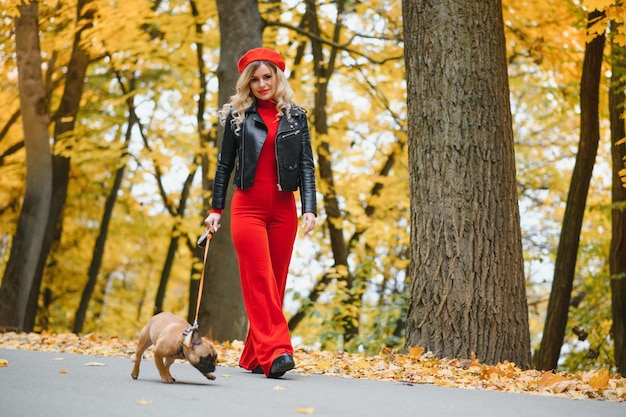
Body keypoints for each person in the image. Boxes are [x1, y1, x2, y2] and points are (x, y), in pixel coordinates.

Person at [204, 47, 317, 378]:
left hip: (284, 208)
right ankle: (278, 351)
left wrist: (309, 208)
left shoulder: (296, 117)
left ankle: (254, 355)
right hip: (247, 208)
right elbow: (224, 164)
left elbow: (307, 164)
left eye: (267, 76)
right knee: (259, 280)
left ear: (278, 77)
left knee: (275, 284)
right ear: (247, 83)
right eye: (254, 79)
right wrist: (215, 209)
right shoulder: (238, 117)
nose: (262, 84)